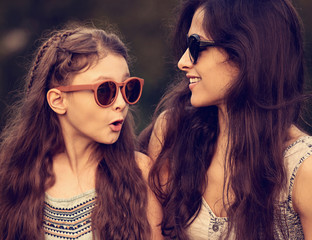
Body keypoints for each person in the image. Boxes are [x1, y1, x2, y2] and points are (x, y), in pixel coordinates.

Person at [139, 0, 312, 239]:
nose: (183, 62)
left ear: (246, 51)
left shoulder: (303, 168)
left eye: (195, 45)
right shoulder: (173, 133)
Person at [0, 25, 163, 239]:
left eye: (127, 88)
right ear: (58, 101)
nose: (122, 103)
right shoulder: (11, 179)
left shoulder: (139, 172)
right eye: (106, 90)